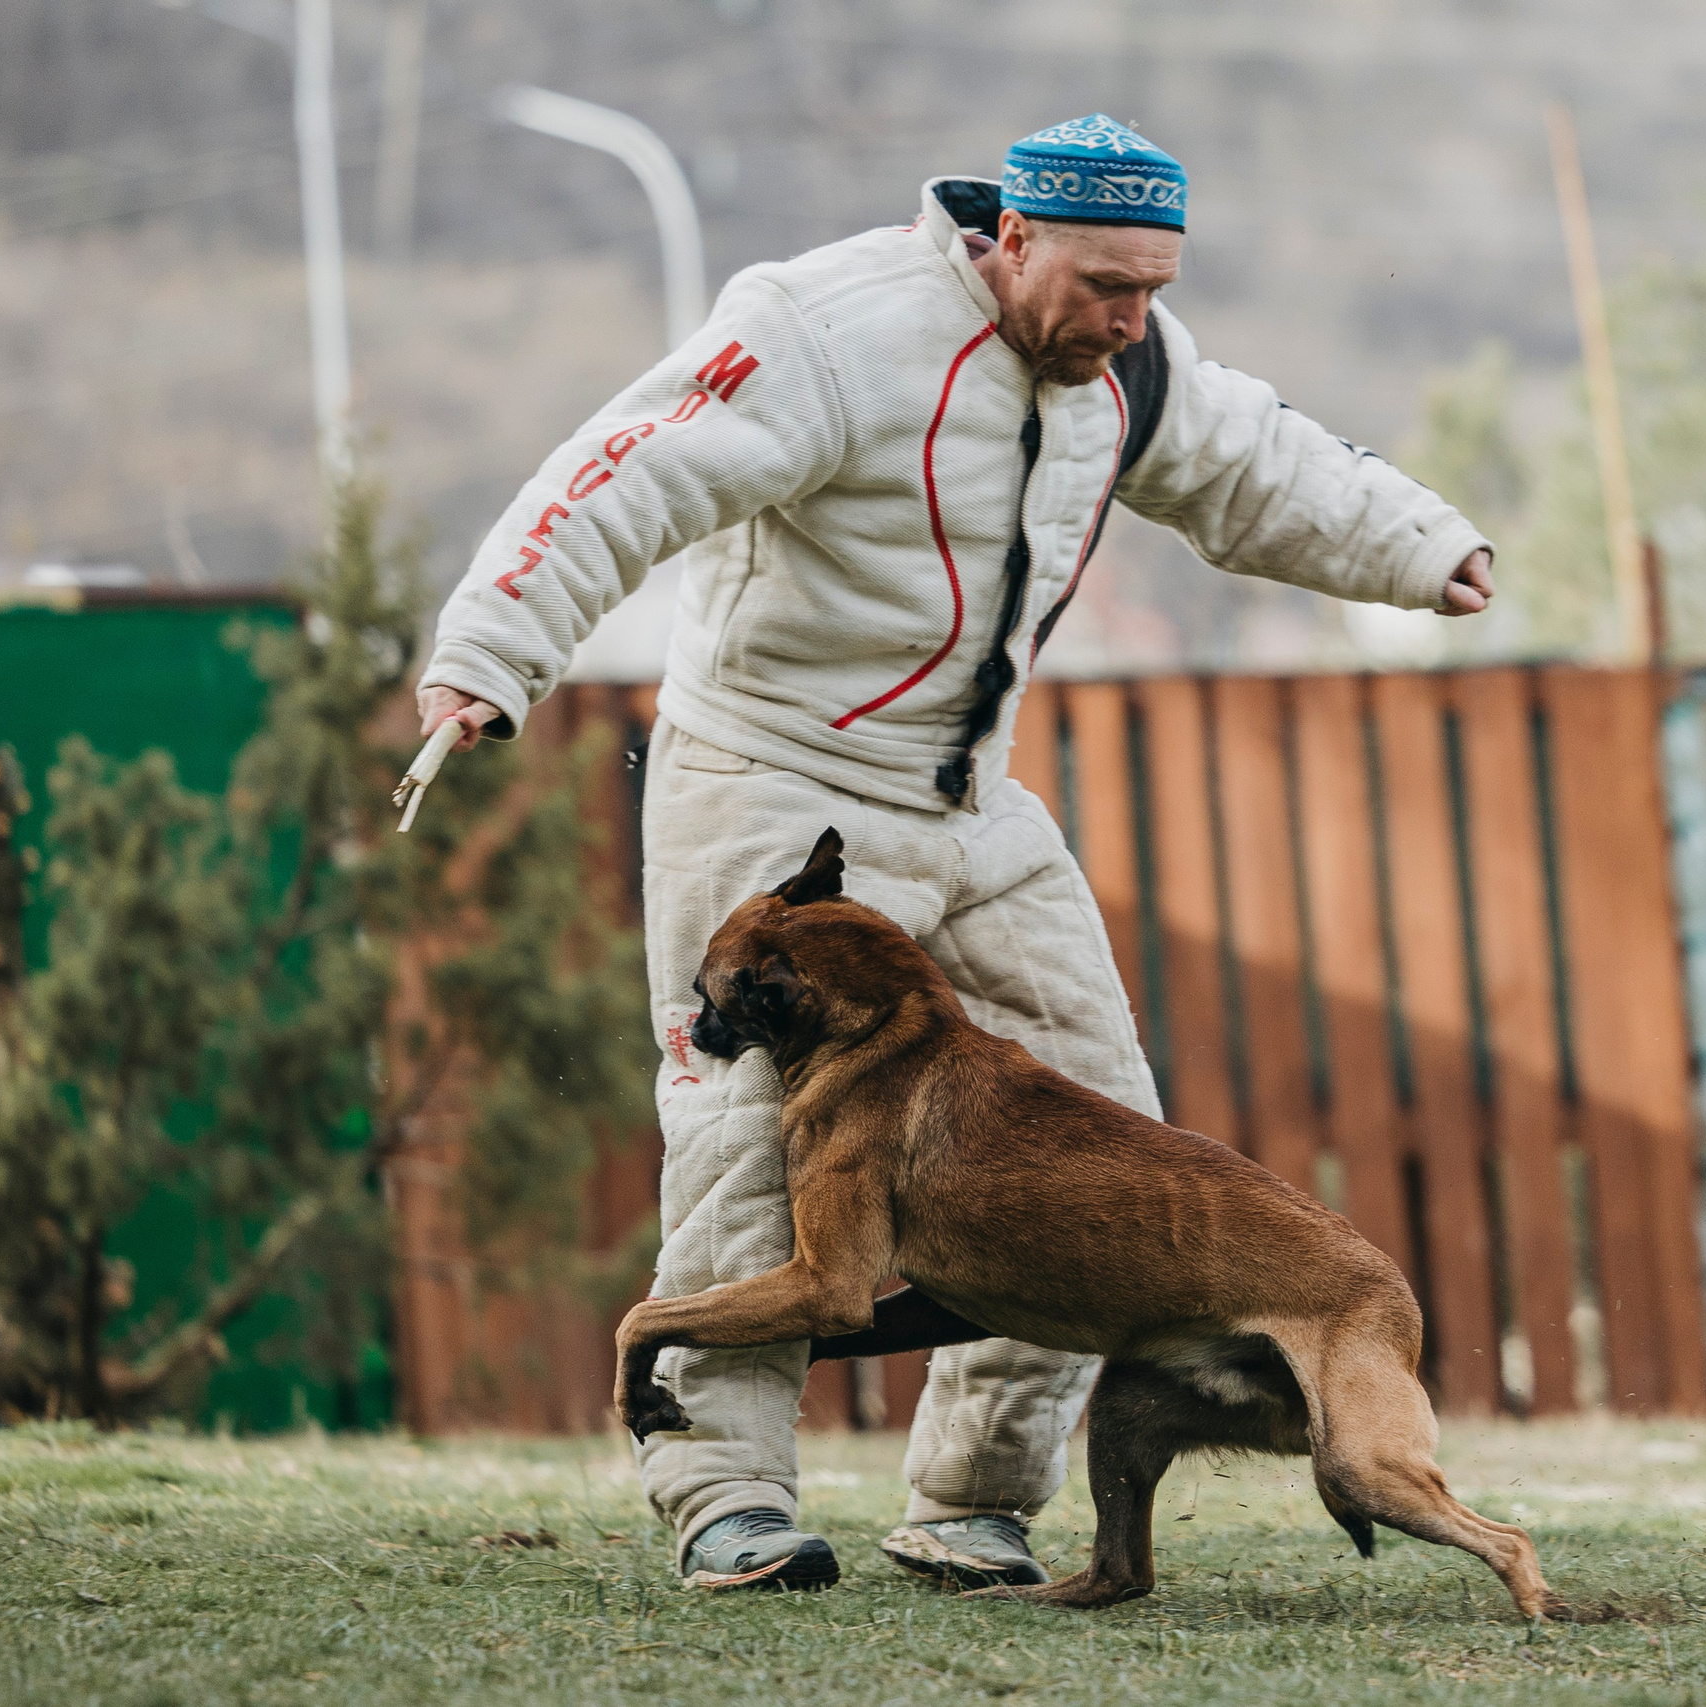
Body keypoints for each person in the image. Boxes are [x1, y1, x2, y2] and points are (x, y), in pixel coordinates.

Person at [415, 114, 1494, 1593]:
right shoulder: (826, 330)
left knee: (1103, 1147)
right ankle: (727, 1497)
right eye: (1105, 286)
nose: (1131, 322)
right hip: (771, 777)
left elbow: (1256, 463)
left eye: (1155, 291)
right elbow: (632, 469)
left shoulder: (1130, 366)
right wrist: (492, 650)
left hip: (971, 795)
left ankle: (975, 1500)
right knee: (744, 1142)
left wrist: (1423, 546)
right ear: (1013, 238)